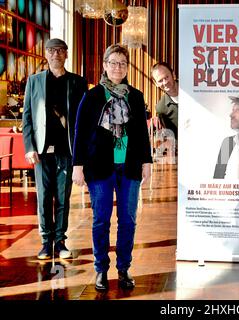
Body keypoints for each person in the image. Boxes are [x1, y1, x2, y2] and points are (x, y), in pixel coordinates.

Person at [72, 44, 152, 291]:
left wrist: (147, 161)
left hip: (130, 167)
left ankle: (124, 268)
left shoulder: (136, 96)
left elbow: (141, 133)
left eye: (123, 63)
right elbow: (80, 132)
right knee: (101, 221)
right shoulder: (92, 96)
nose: (118, 67)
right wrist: (78, 165)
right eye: (113, 62)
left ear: (127, 68)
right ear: (105, 65)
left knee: (128, 220)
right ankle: (100, 270)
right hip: (99, 167)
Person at [22, 38, 87, 260]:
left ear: (66, 54)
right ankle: (45, 241)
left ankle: (60, 241)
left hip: (66, 150)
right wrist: (29, 146)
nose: (56, 54)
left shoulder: (77, 82)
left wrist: (82, 154)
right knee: (43, 196)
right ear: (46, 54)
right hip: (40, 151)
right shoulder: (34, 81)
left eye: (60, 50)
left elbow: (83, 120)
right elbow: (28, 116)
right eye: (51, 50)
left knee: (62, 197)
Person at [151, 62, 179, 140]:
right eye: (160, 80)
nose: (165, 82)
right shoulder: (161, 108)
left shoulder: (192, 88)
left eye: (166, 77)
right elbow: (172, 137)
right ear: (156, 83)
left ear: (173, 75)